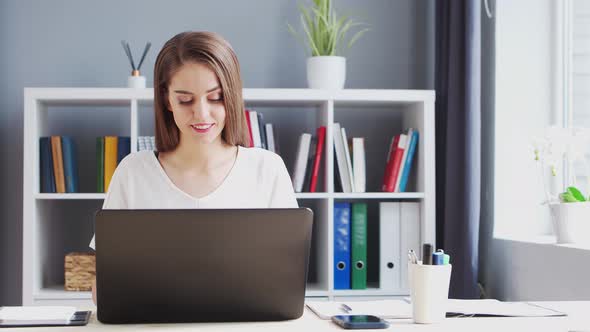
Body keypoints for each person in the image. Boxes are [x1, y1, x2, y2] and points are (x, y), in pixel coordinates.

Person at [90, 31, 298, 304]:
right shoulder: (132, 173)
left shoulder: (267, 169)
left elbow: (288, 276)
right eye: (185, 100)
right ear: (166, 100)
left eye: (215, 98)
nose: (201, 114)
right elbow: (102, 286)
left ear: (232, 96)